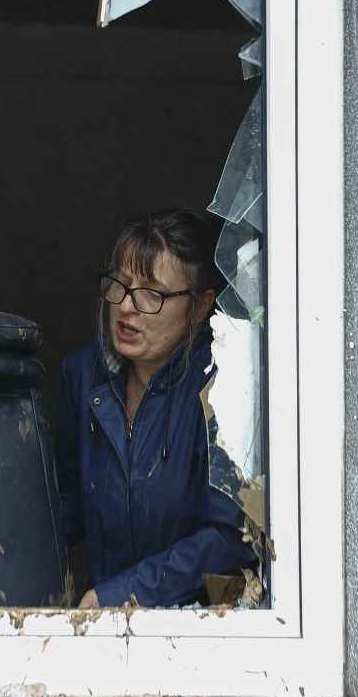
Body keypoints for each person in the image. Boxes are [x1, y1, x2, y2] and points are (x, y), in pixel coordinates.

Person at [56, 208, 257, 608]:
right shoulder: (84, 377)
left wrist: (119, 595)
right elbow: (66, 503)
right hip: (103, 622)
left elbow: (233, 538)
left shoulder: (221, 388)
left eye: (152, 294)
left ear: (199, 307)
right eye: (120, 284)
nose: (126, 307)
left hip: (200, 622)